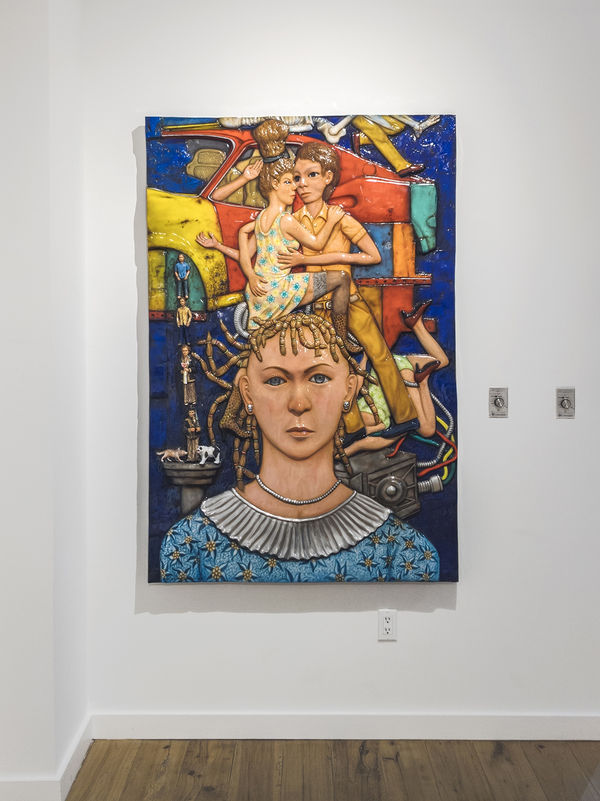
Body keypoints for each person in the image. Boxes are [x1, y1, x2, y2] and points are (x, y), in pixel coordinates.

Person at [160, 313, 439, 583]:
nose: (298, 403)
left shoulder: (404, 553)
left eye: (319, 378)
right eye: (275, 380)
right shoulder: (189, 547)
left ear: (349, 390)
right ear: (247, 393)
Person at [275, 141, 418, 438]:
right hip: (318, 307)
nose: (303, 184)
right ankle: (351, 427)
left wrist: (316, 259)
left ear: (328, 177)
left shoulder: (340, 218)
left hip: (350, 299)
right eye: (297, 177)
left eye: (312, 175)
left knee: (379, 354)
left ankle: (405, 415)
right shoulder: (294, 221)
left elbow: (373, 256)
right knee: (332, 366)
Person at [197, 119, 358, 352]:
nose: (295, 187)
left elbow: (244, 254)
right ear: (274, 183)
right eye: (288, 182)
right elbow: (317, 243)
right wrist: (332, 219)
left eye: (294, 181)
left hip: (258, 294)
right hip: (280, 290)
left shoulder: (261, 219)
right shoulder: (286, 220)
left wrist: (222, 249)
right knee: (341, 277)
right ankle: (341, 340)